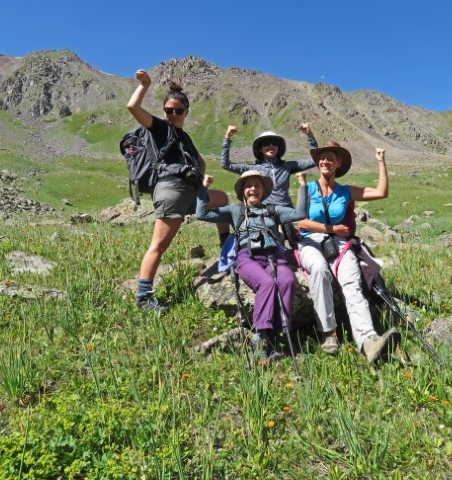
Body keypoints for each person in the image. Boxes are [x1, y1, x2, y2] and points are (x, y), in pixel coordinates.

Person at [126, 69, 229, 312]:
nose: (173, 115)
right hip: (170, 190)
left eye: (178, 111)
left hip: (190, 191)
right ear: (164, 112)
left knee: (222, 199)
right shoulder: (160, 128)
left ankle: (225, 250)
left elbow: (201, 160)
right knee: (159, 245)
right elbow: (132, 107)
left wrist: (201, 179)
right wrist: (145, 85)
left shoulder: (184, 137)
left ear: (186, 112)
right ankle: (143, 297)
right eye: (168, 110)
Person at [296, 141, 401, 364]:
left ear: (338, 164)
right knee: (319, 270)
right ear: (318, 162)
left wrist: (381, 162)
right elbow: (299, 221)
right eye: (322, 158)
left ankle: (368, 340)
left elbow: (381, 192)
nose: (326, 161)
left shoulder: (346, 192)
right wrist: (331, 228)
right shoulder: (307, 188)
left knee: (352, 283)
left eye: (331, 158)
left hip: (339, 244)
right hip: (310, 241)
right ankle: (328, 333)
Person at [196, 170, 308, 361]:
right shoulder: (234, 210)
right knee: (267, 284)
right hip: (247, 257)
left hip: (274, 255)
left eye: (257, 185)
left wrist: (303, 185)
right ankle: (261, 336)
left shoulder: (274, 209)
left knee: (287, 280)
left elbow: (300, 213)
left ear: (263, 189)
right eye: (248, 186)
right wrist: (203, 188)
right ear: (243, 191)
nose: (253, 189)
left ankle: (279, 330)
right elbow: (201, 214)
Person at [221, 126, 318, 244]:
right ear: (260, 149)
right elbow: (226, 165)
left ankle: (297, 259)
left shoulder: (287, 166)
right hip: (265, 211)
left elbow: (315, 160)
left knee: (294, 241)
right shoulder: (254, 169)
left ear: (278, 147)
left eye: (275, 143)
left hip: (286, 208)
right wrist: (227, 137)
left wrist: (310, 136)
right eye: (266, 143)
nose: (271, 146)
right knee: (270, 243)